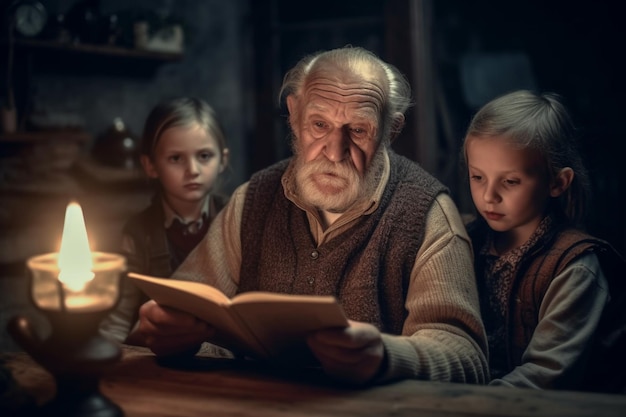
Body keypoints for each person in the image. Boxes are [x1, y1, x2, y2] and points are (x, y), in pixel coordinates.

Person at [134, 46, 489, 385]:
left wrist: (386, 356)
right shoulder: (255, 198)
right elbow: (184, 307)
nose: (335, 152)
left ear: (390, 130)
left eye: (359, 130)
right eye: (319, 125)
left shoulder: (428, 212)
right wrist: (171, 334)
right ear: (293, 113)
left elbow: (467, 356)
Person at [463, 90, 625, 391]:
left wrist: (471, 404)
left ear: (557, 182)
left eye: (509, 181)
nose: (489, 196)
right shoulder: (464, 242)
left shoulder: (575, 268)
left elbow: (547, 373)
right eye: (478, 177)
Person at [100, 97, 230, 344]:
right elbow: (118, 319)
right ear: (150, 166)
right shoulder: (140, 231)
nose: (192, 169)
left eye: (204, 155)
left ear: (222, 159)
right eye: (176, 158)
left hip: (226, 351)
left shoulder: (236, 216)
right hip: (161, 351)